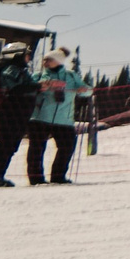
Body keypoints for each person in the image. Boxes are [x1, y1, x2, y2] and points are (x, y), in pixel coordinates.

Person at [27, 49, 83, 185]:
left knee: (67, 147)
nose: (45, 62)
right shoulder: (38, 75)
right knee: (37, 148)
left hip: (64, 119)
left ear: (58, 61)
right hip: (40, 117)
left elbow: (87, 89)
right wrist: (38, 88)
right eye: (44, 59)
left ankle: (58, 177)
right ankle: (36, 178)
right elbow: (28, 90)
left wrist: (84, 91)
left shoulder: (71, 76)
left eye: (49, 59)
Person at [0, 41, 34, 186]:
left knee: (10, 145)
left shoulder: (17, 69)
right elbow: (15, 88)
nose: (28, 58)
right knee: (6, 144)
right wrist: (37, 86)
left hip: (17, 111)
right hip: (11, 111)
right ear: (17, 55)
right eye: (26, 55)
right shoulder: (10, 69)